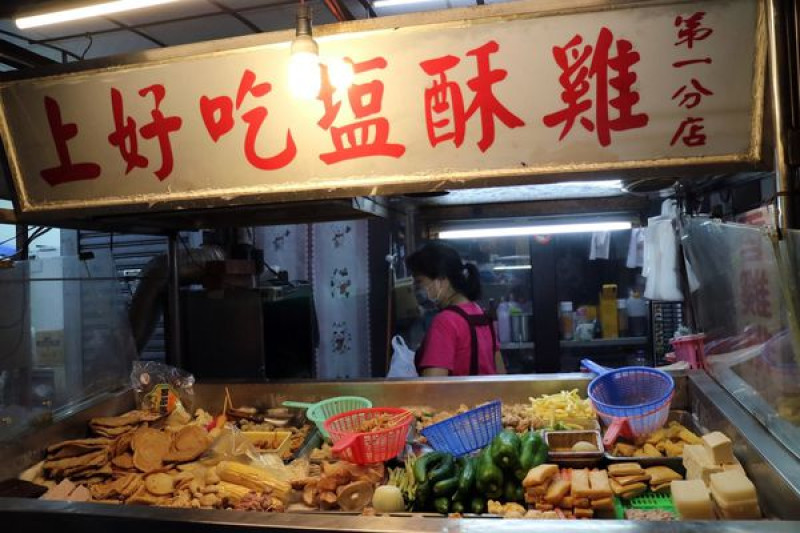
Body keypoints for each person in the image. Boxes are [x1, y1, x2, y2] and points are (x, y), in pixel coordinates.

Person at [406, 243, 506, 377]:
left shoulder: (445, 321)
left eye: (419, 282)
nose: (415, 289)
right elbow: (501, 374)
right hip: (488, 398)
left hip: (459, 399)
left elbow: (432, 386)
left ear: (442, 280)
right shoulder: (481, 313)